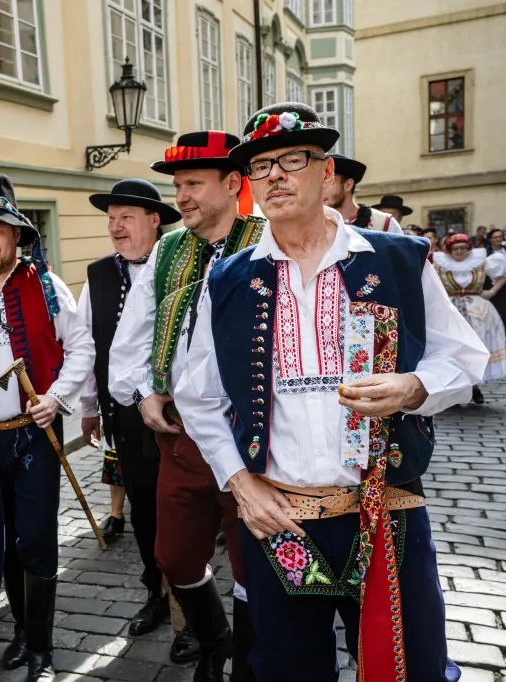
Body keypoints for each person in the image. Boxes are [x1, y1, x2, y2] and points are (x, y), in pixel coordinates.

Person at [174, 102, 488, 682]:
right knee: (287, 669)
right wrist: (242, 487)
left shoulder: (396, 259)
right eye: (260, 165)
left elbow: (464, 358)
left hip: (384, 511)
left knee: (406, 667)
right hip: (279, 519)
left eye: (292, 159)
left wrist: (414, 386)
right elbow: (197, 397)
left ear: (328, 171)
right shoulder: (227, 281)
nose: (274, 175)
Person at [110, 131, 266, 682]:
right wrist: (142, 390)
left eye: (193, 183)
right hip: (180, 436)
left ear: (231, 183)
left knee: (253, 564)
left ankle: (248, 660)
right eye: (177, 185)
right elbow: (135, 330)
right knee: (174, 556)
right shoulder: (169, 249)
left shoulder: (268, 241)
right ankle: (215, 639)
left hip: (254, 439)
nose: (181, 196)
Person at [0, 172, 94, 682]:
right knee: (0, 534)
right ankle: (20, 630)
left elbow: (82, 348)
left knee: (35, 538)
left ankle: (42, 649)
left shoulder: (46, 286)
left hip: (34, 438)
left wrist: (55, 399)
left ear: (16, 235)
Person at [79, 179, 198, 645]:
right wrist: (90, 407)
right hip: (126, 417)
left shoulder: (185, 265)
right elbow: (91, 345)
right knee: (145, 512)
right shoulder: (98, 275)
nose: (115, 227)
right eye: (111, 219)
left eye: (126, 217)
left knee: (186, 516)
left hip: (183, 415)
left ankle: (192, 609)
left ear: (155, 220)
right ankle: (155, 593)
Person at [432, 233, 506, 404]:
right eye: (455, 249)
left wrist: (492, 291)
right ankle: (456, 390)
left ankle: (475, 387)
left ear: (469, 249)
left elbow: (502, 275)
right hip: (450, 312)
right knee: (453, 349)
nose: (459, 252)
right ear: (449, 250)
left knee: (476, 349)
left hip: (478, 311)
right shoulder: (440, 265)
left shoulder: (481, 262)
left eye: (463, 248)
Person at [322, 155, 403, 234]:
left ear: (348, 185)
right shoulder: (315, 223)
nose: (321, 188)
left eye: (329, 182)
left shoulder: (385, 223)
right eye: (319, 182)